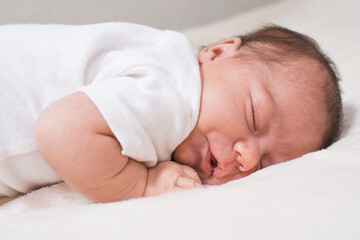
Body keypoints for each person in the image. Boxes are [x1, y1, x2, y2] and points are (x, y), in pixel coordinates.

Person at [0, 22, 342, 202]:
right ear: (217, 52)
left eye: (267, 163)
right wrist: (142, 185)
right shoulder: (173, 90)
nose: (248, 157)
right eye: (253, 116)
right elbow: (59, 130)